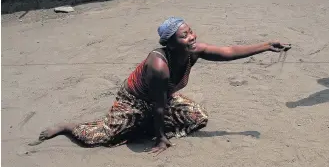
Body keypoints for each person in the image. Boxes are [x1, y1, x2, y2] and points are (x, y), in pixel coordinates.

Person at [33, 17, 291, 154]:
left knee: (198, 117)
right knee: (101, 136)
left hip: (160, 100)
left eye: (191, 31)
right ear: (170, 43)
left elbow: (228, 51)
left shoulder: (194, 50)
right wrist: (160, 138)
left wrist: (266, 45)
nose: (192, 37)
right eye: (184, 35)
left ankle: (144, 128)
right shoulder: (158, 65)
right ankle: (68, 126)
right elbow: (158, 106)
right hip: (133, 102)